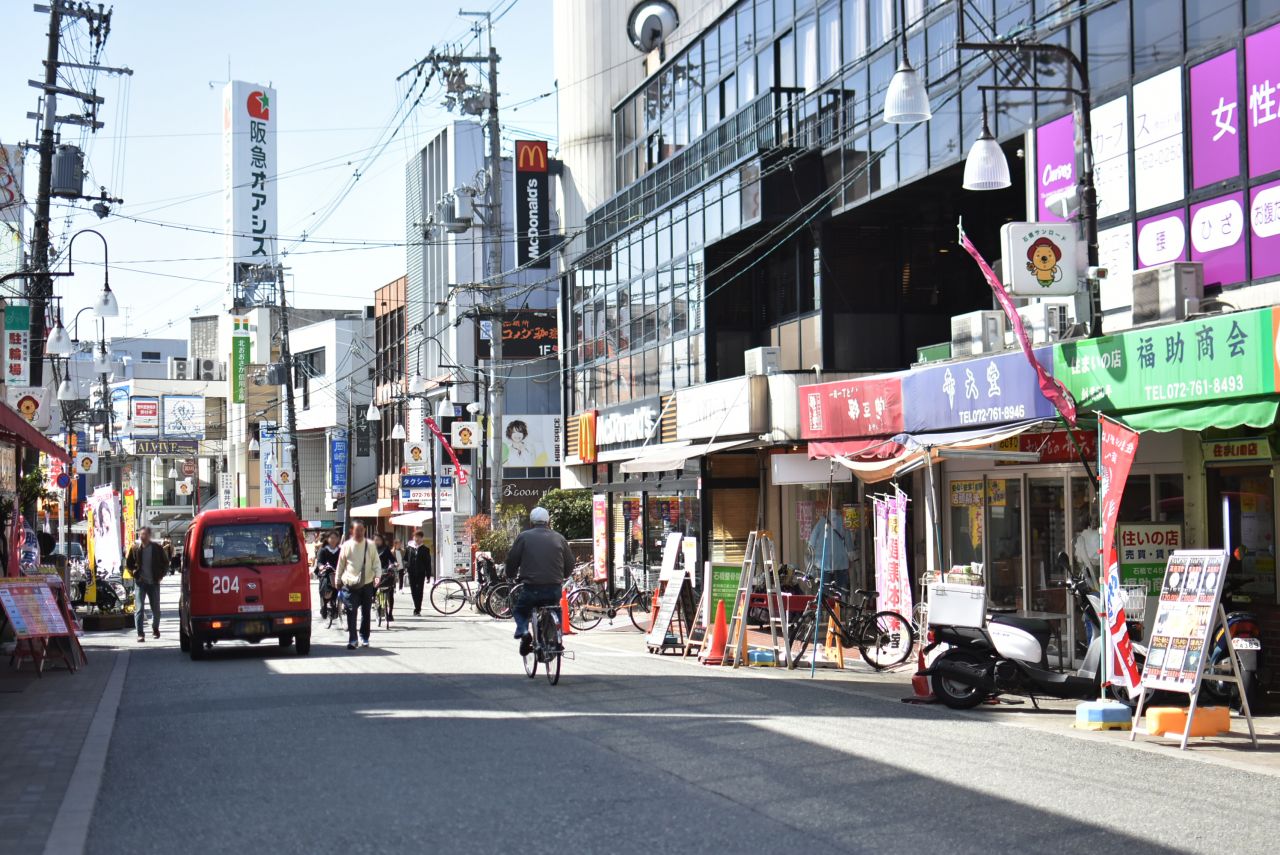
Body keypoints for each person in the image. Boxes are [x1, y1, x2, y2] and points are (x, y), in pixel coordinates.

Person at [505, 506, 574, 655]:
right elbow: (570, 562)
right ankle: (555, 639)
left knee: (520, 611)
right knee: (554, 607)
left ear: (531, 521)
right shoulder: (559, 537)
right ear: (548, 521)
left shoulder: (523, 537)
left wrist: (510, 574)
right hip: (554, 588)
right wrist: (564, 576)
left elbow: (512, 560)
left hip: (532, 588)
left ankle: (525, 635)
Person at [336, 523, 380, 649]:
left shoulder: (370, 545)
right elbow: (341, 564)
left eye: (361, 530)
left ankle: (364, 637)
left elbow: (376, 563)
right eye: (357, 530)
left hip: (366, 583)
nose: (359, 532)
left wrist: (377, 577)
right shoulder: (346, 546)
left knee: (366, 612)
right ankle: (353, 639)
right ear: (352, 531)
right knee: (351, 611)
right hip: (350, 584)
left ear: (365, 530)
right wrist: (337, 579)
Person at [125, 526, 169, 642]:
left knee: (156, 610)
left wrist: (161, 575)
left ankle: (155, 628)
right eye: (140, 534)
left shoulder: (157, 548)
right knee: (139, 609)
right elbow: (128, 564)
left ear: (149, 535)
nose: (142, 536)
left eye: (144, 534)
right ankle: (140, 634)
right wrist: (134, 573)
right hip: (140, 583)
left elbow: (166, 563)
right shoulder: (135, 548)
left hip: (154, 582)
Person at [312, 530, 342, 620]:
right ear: (327, 539)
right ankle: (325, 604)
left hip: (337, 572)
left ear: (338, 539)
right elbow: (320, 561)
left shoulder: (340, 550)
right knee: (326, 583)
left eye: (335, 538)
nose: (333, 540)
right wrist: (321, 566)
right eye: (331, 538)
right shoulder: (323, 550)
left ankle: (336, 602)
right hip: (326, 571)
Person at [406, 530, 432, 615]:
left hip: (421, 573)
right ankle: (416, 607)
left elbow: (428, 563)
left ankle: (417, 609)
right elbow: (406, 559)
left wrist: (428, 575)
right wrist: (406, 567)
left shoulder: (425, 549)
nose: (417, 539)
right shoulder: (409, 548)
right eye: (415, 537)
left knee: (419, 591)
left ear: (422, 538)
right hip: (411, 572)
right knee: (413, 590)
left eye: (419, 537)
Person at [374, 533, 396, 624]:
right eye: (375, 540)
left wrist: (394, 563)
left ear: (382, 541)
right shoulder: (371, 549)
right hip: (374, 573)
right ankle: (375, 604)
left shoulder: (386, 549)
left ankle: (390, 613)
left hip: (385, 572)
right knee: (372, 589)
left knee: (390, 593)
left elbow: (392, 559)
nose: (377, 542)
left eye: (378, 540)